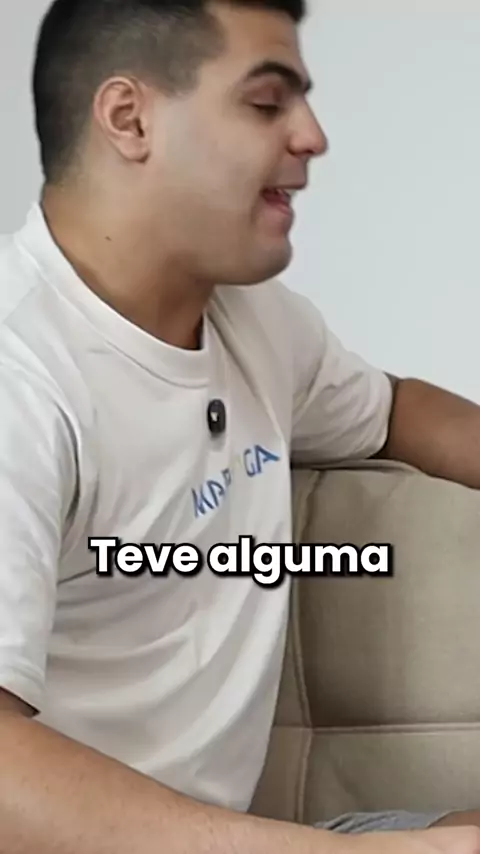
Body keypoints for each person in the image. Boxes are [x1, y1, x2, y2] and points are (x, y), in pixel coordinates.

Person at [0, 0, 480, 852]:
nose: (312, 137)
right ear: (129, 119)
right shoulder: (20, 373)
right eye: (266, 102)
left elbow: (394, 410)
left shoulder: (257, 324)